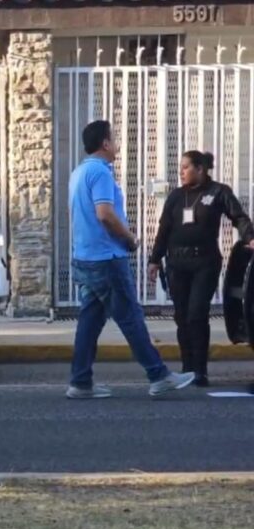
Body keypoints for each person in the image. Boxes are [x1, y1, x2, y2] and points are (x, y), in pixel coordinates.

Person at [66, 120, 195, 399]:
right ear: (105, 143)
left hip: (85, 258)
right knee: (131, 318)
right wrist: (130, 238)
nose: (118, 144)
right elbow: (104, 213)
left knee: (90, 320)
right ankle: (158, 375)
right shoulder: (100, 173)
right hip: (107, 258)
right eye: (115, 139)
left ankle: (80, 382)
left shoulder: (78, 173)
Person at [147, 151, 254, 387]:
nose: (181, 172)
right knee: (182, 316)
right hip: (177, 264)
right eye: (181, 168)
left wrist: (250, 238)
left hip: (204, 263)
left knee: (197, 313)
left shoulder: (218, 192)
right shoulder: (176, 196)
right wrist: (154, 260)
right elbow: (164, 229)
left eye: (186, 167)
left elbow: (238, 217)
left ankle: (200, 370)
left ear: (200, 169)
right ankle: (187, 367)